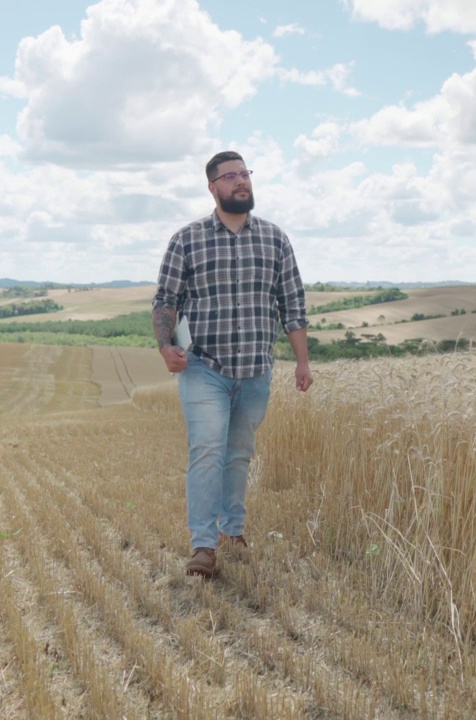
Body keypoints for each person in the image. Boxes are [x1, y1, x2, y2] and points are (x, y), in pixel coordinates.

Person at [152, 150, 312, 578]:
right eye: (231, 176)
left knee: (238, 454)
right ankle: (203, 545)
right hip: (204, 367)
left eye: (245, 174)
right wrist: (166, 346)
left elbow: (292, 305)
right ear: (213, 187)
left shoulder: (275, 240)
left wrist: (302, 362)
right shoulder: (187, 239)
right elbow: (166, 300)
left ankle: (233, 529)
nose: (242, 181)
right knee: (207, 451)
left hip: (256, 370)